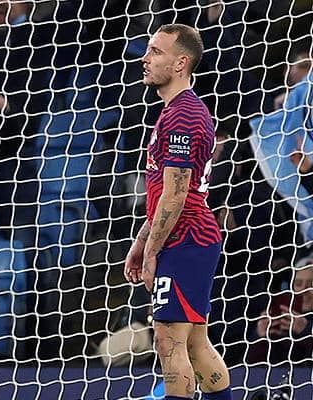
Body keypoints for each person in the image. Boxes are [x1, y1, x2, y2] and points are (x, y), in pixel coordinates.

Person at [123, 24, 232, 400]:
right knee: (196, 344)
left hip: (186, 238)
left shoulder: (184, 115)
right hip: (187, 236)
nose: (145, 58)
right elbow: (163, 196)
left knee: (169, 341)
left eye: (156, 51)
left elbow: (176, 194)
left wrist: (152, 251)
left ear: (181, 63)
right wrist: (142, 242)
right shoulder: (175, 111)